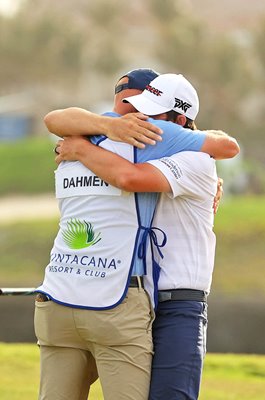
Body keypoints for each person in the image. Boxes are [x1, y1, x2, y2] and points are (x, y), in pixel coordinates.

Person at [41, 70, 239, 400]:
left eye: (153, 114)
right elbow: (61, 120)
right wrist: (88, 139)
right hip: (129, 296)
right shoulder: (138, 144)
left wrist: (79, 149)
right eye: (139, 110)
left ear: (178, 120)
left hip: (178, 302)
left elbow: (129, 178)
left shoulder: (195, 160)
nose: (140, 120)